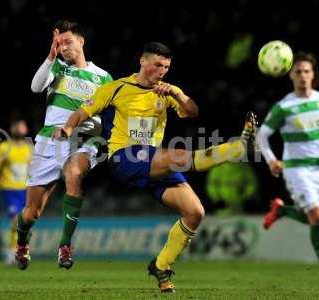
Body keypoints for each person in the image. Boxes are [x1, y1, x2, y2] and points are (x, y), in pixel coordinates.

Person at [55, 42, 257, 293]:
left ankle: (161, 266)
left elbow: (192, 111)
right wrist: (67, 128)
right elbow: (82, 113)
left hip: (153, 161)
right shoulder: (116, 88)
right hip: (124, 158)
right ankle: (236, 149)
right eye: (157, 65)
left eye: (166, 67)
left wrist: (177, 94)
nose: (161, 71)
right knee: (178, 156)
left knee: (195, 212)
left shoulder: (166, 91)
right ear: (142, 61)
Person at [15, 20, 112, 270]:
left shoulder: (103, 77)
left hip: (84, 139)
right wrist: (50, 56)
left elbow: (109, 111)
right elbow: (36, 87)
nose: (64, 47)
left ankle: (65, 245)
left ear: (81, 42)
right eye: (60, 44)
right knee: (31, 213)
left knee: (73, 175)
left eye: (68, 41)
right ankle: (23, 240)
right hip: (49, 141)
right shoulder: (57, 68)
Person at [260, 52, 319, 259]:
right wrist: (271, 160)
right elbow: (262, 135)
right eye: (298, 72)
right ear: (291, 75)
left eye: (306, 71)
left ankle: (282, 211)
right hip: (297, 169)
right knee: (316, 215)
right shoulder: (284, 107)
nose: (302, 75)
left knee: (315, 216)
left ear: (312, 74)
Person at [0, 119, 32, 265]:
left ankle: (18, 249)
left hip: (26, 191)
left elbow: (35, 171)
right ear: (12, 128)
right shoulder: (3, 147)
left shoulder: (30, 148)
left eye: (23, 125)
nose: (21, 128)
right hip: (9, 190)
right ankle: (11, 251)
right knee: (15, 221)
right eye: (18, 125)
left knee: (24, 223)